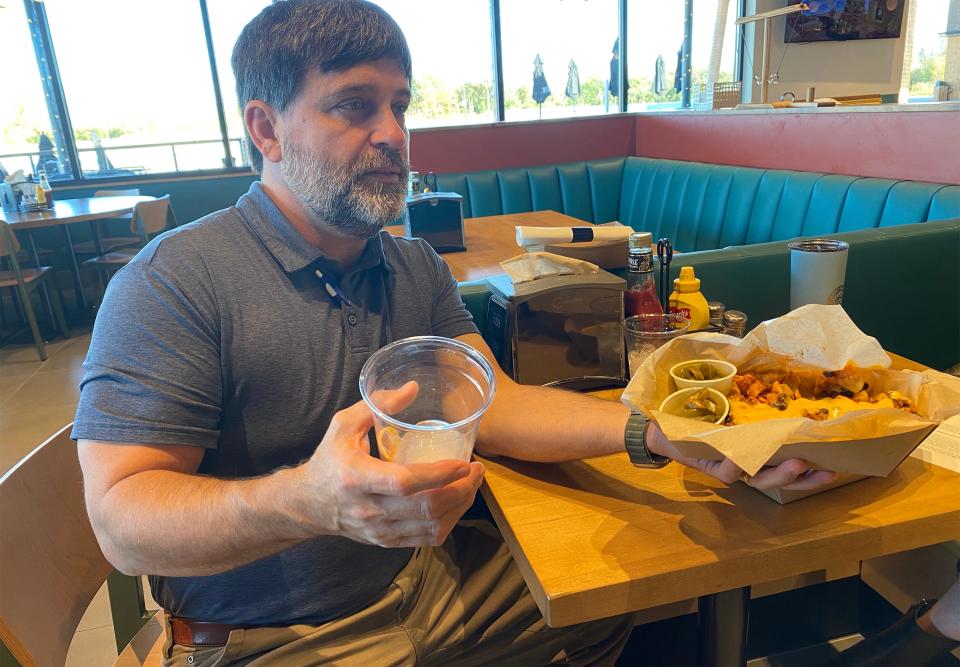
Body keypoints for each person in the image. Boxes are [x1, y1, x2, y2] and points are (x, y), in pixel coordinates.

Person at [73, 2, 835, 665]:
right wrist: (308, 501)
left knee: (620, 587)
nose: (393, 134)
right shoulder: (173, 281)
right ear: (266, 128)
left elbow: (496, 405)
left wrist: (659, 432)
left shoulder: (412, 267)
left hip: (429, 581)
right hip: (279, 638)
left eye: (400, 105)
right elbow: (123, 523)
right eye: (354, 106)